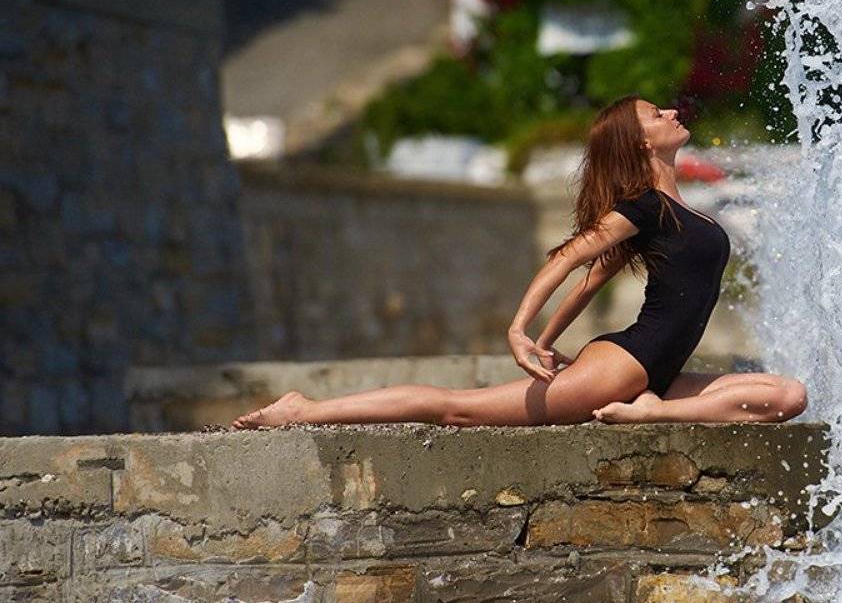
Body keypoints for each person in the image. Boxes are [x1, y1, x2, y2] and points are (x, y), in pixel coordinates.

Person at [231, 95, 807, 429]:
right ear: (641, 143)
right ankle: (306, 410)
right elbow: (567, 258)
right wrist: (519, 330)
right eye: (657, 114)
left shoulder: (674, 211)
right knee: (458, 410)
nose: (673, 112)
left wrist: (550, 343)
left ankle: (653, 413)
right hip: (622, 369)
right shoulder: (640, 208)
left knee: (788, 396)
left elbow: (590, 283)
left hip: (653, 372)